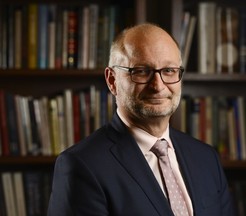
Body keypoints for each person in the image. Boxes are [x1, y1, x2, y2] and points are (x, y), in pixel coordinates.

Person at [48, 23, 234, 216]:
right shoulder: (82, 165)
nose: (158, 85)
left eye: (169, 70)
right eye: (142, 71)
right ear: (112, 80)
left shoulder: (206, 157)